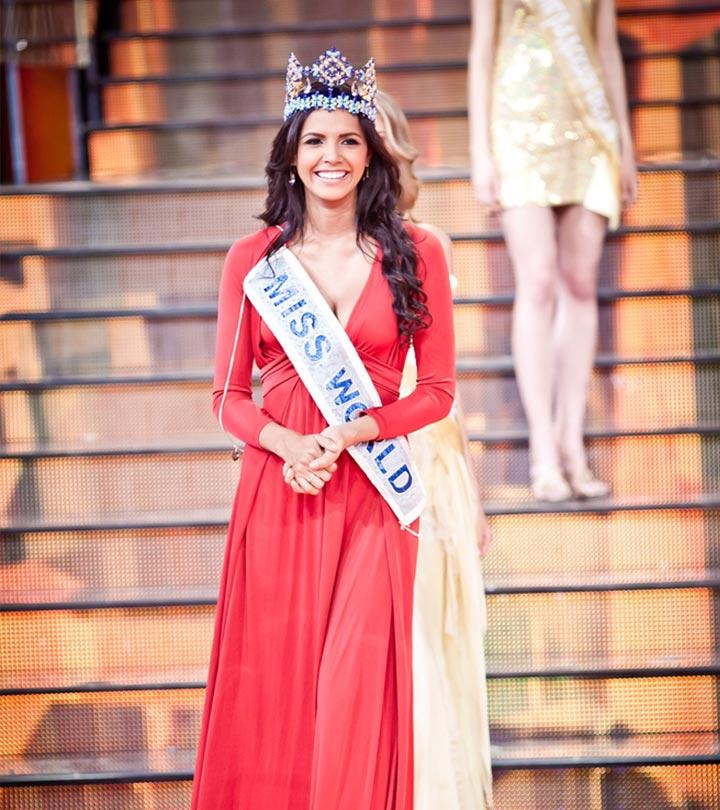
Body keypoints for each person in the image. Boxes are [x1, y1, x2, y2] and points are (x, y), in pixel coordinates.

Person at [191, 49, 456, 810]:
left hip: (374, 498)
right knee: (275, 695)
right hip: (279, 494)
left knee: (356, 693)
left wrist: (347, 436)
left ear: (370, 152)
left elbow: (435, 393)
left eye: (347, 140)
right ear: (291, 155)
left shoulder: (418, 253)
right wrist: (287, 446)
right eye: (314, 141)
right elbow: (225, 397)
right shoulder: (253, 260)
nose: (330, 156)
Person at [375, 90, 494, 810]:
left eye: (370, 142)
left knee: (435, 647)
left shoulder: (426, 246)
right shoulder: (303, 258)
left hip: (429, 462)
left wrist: (473, 494)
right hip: (365, 461)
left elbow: (445, 386)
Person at [469, 0, 638, 501]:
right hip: (517, 133)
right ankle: (543, 448)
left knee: (581, 285)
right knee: (538, 281)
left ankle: (572, 445)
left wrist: (624, 143)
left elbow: (605, 48)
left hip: (588, 134)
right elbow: (483, 52)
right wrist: (481, 151)